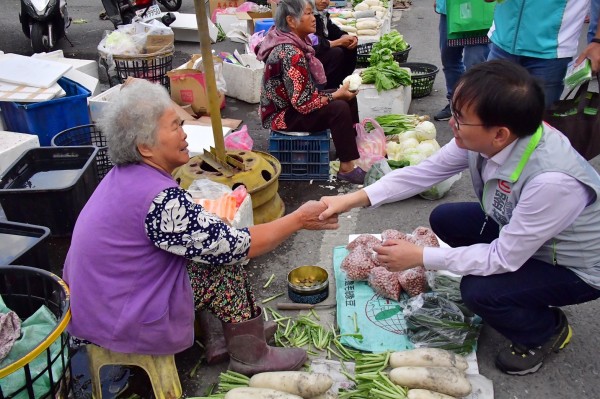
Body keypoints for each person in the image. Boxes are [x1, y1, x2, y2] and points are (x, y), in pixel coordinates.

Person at [319, 60, 600, 376]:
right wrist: (349, 200)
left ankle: (546, 330)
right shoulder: (489, 140)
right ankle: (520, 293)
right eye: (454, 111)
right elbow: (422, 174)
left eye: (461, 118)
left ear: (500, 133)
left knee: (478, 291)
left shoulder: (551, 182)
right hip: (527, 234)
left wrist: (422, 256)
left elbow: (503, 258)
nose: (451, 124)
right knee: (446, 219)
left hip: (573, 265)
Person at [62, 79, 339, 376]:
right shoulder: (159, 199)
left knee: (210, 247)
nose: (184, 134)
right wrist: (298, 219)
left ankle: (224, 336)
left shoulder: (124, 176)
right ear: (145, 147)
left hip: (103, 304)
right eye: (174, 127)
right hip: (121, 317)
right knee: (223, 265)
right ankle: (250, 355)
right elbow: (238, 246)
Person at [255, 0, 366, 184]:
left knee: (346, 100)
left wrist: (336, 94)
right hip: (282, 116)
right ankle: (346, 170)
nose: (313, 18)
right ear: (291, 21)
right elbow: (304, 104)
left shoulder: (294, 42)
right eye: (307, 13)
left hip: (293, 106)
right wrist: (336, 95)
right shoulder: (290, 53)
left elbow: (304, 96)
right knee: (339, 107)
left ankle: (349, 153)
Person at [484, 0, 589, 107]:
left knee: (539, 120)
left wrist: (597, 41)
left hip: (551, 53)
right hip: (502, 43)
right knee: (490, 115)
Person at [433, 0, 489, 121]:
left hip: (479, 10)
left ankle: (475, 108)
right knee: (449, 59)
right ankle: (455, 103)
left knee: (474, 64)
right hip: (450, 9)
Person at [312, 0, 358, 90]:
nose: (324, 1)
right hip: (311, 52)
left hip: (321, 47)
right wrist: (337, 42)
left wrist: (345, 36)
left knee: (350, 45)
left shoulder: (322, 14)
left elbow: (332, 29)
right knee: (336, 52)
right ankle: (330, 89)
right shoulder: (303, 14)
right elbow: (312, 41)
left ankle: (343, 83)